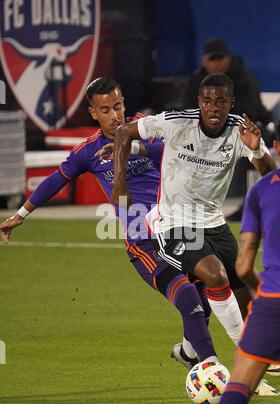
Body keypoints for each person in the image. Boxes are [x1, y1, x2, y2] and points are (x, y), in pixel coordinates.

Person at [0, 77, 219, 371]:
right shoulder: (89, 152)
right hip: (143, 241)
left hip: (179, 229)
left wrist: (133, 146)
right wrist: (21, 214)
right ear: (93, 113)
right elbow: (56, 179)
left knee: (206, 299)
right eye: (105, 110)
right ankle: (213, 370)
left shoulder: (146, 128)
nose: (115, 115)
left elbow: (174, 151)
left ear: (124, 103)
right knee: (189, 297)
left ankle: (191, 354)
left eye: (118, 106)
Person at [112, 72, 280, 393]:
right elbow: (123, 133)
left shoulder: (238, 131)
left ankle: (191, 351)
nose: (213, 107)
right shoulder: (176, 122)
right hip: (173, 222)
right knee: (215, 277)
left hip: (214, 223)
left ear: (231, 102)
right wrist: (120, 182)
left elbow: (270, 174)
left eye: (221, 100)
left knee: (243, 280)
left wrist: (257, 150)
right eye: (207, 100)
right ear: (199, 102)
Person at [212, 111, 280, 404]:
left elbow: (244, 264)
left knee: (240, 382)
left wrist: (263, 289)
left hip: (276, 296)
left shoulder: (261, 190)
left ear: (277, 146)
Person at [184, 37, 275, 222]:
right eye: (212, 59)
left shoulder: (244, 76)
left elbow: (248, 112)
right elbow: (187, 109)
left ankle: (247, 206)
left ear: (228, 58)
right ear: (204, 60)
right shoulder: (196, 79)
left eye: (221, 58)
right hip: (208, 131)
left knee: (248, 146)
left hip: (249, 127)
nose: (217, 63)